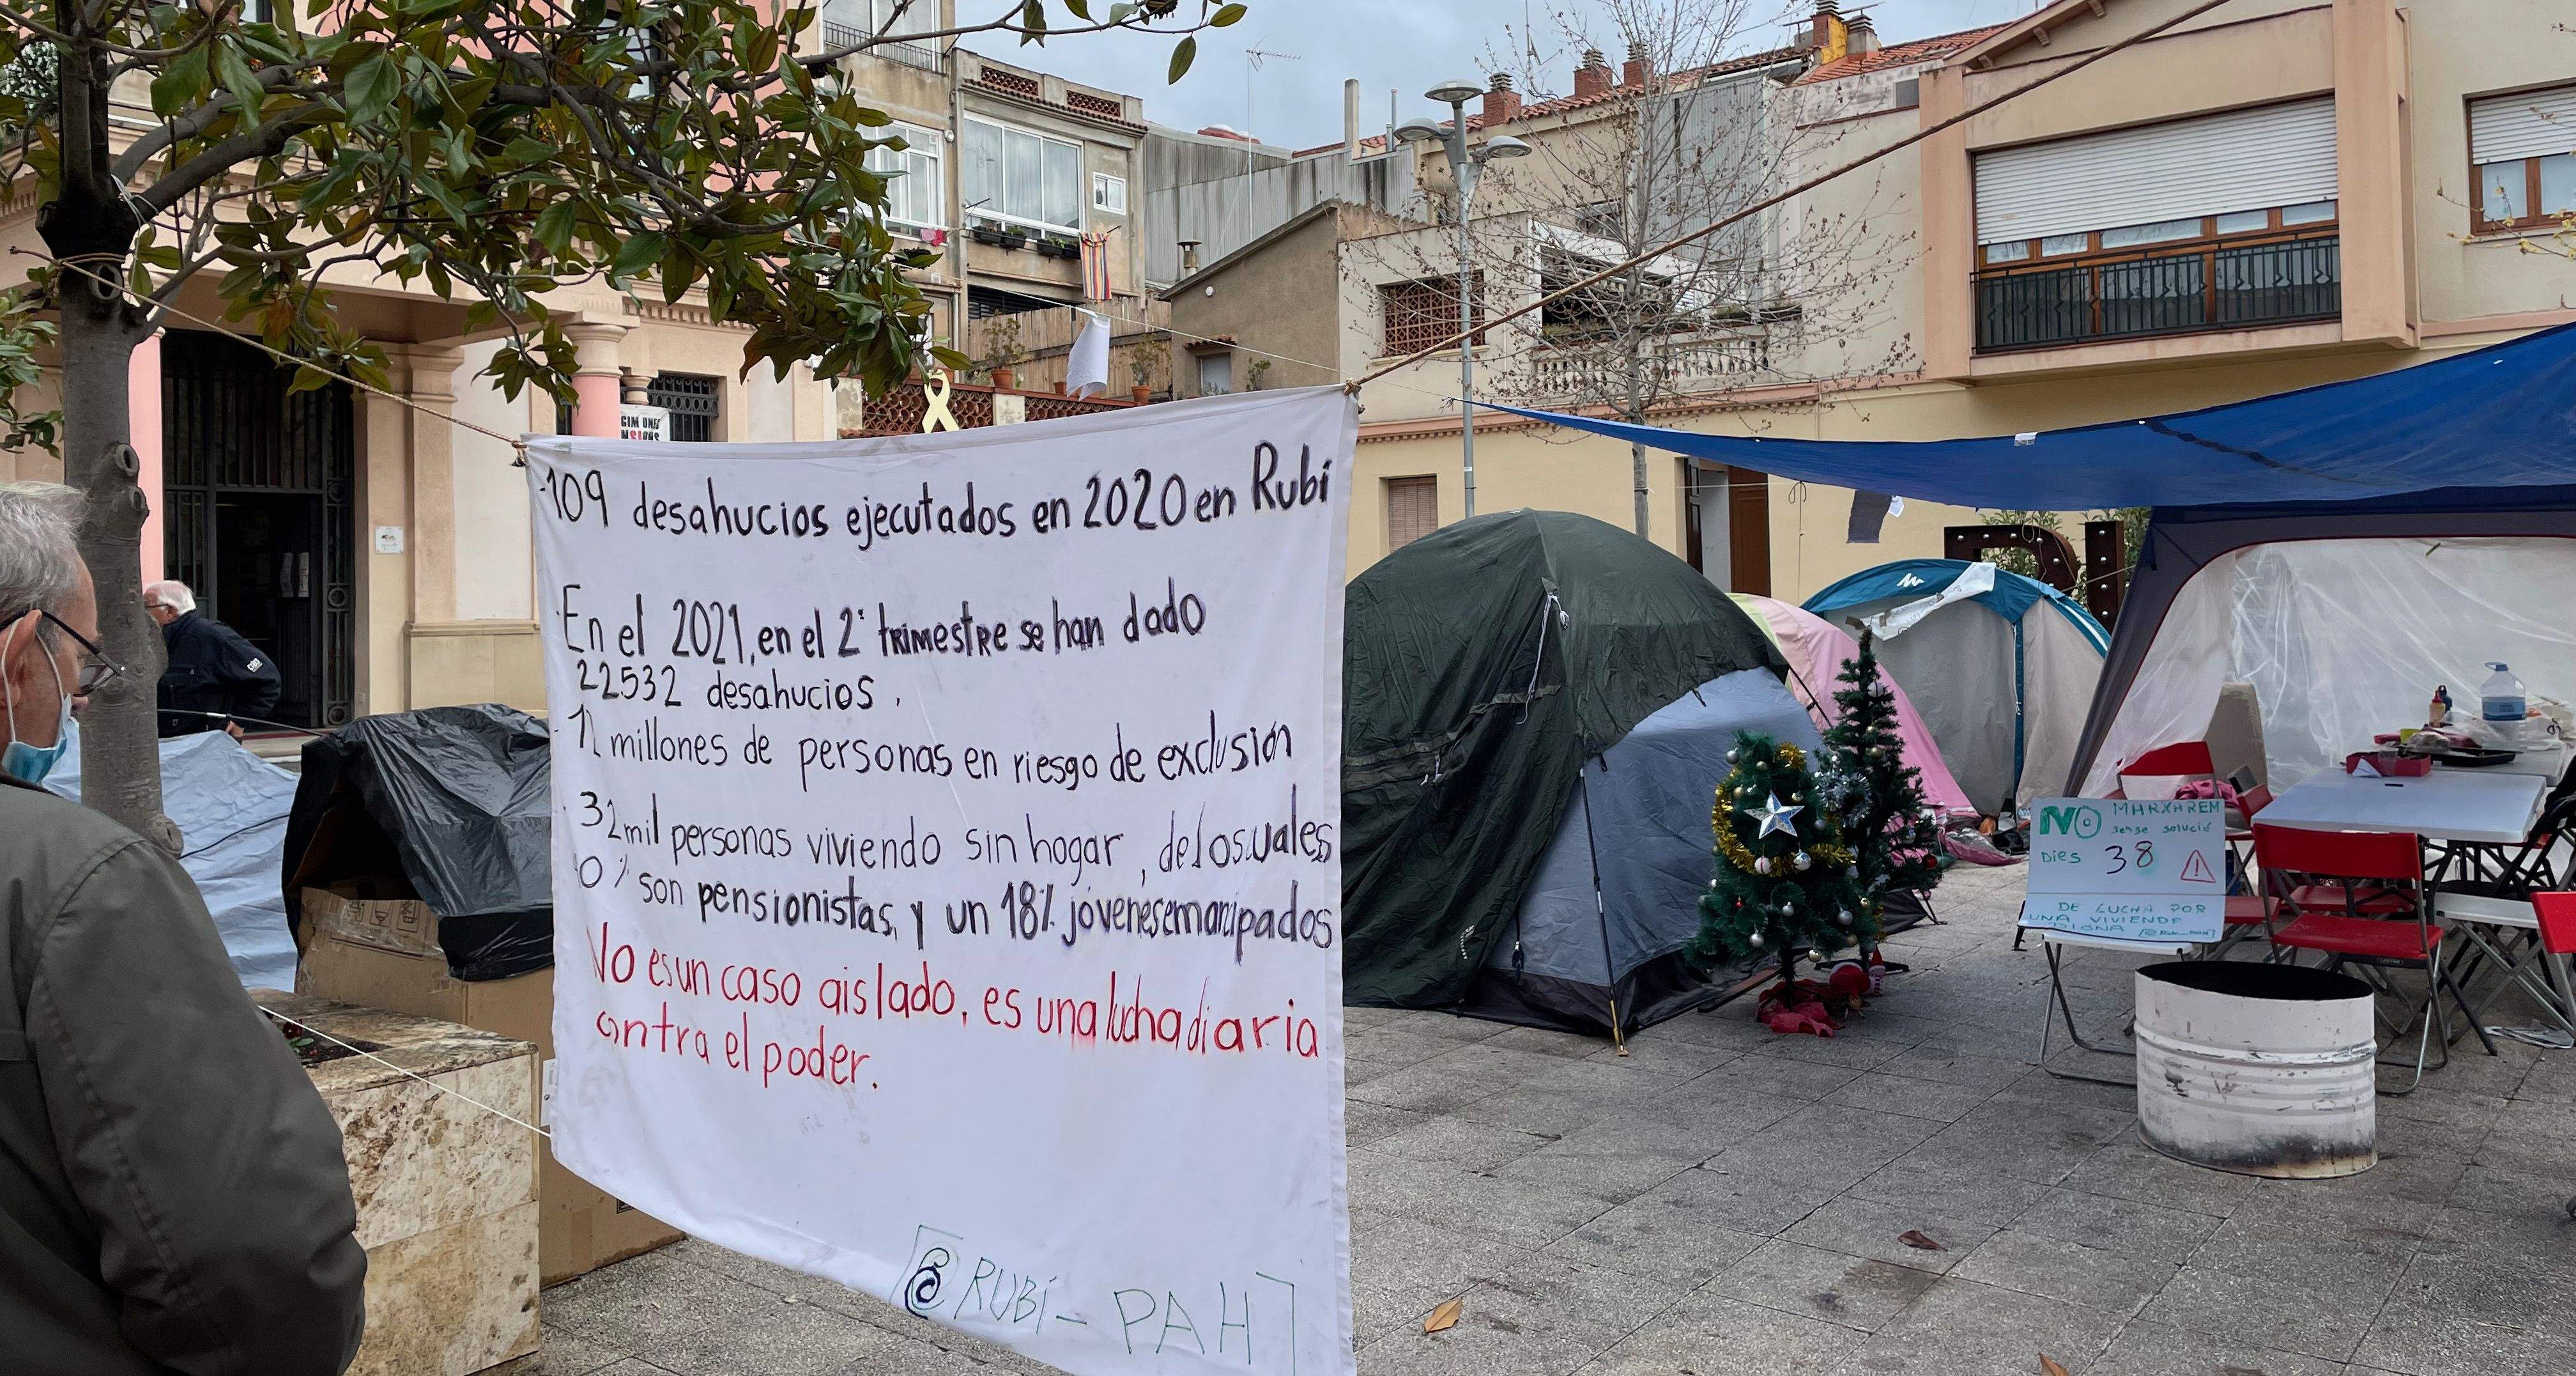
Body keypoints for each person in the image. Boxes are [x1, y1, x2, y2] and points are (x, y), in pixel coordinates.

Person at [0, 484, 366, 1374]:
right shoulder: (80, 881)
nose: (83, 701)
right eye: (81, 665)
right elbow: (255, 1259)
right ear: (19, 655)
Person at [144, 579, 280, 738]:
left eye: (147, 607)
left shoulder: (212, 637)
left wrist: (240, 720)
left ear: (170, 611)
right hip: (166, 743)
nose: (142, 614)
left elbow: (267, 678)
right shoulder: (156, 641)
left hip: (207, 745)